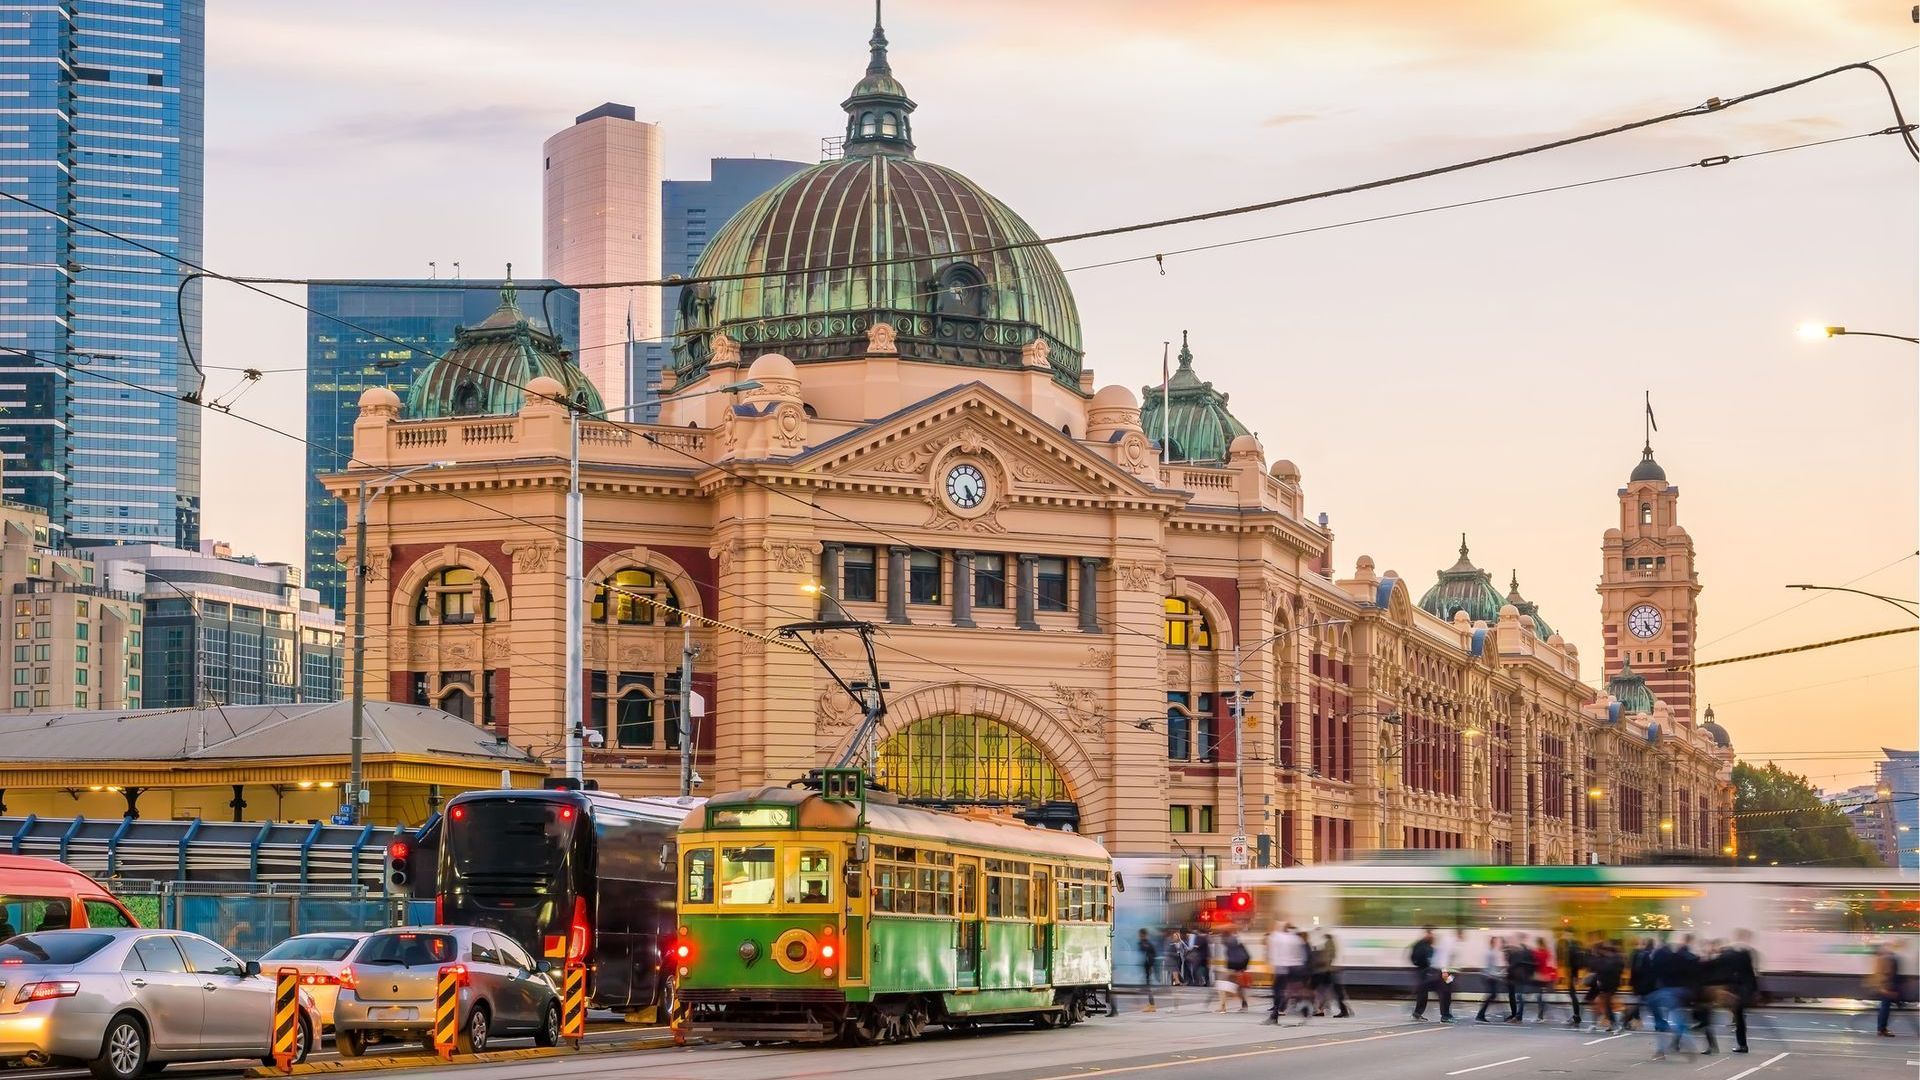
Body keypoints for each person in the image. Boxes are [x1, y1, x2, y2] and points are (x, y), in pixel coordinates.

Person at [1647, 935, 1694, 1060]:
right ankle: (1683, 1037)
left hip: (1665, 990)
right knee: (1676, 1015)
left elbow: (1653, 973)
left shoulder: (1660, 956)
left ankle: (1662, 1049)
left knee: (1659, 1015)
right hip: (1681, 990)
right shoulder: (1683, 956)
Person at [1716, 929, 1758, 1053]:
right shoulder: (1747, 952)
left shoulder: (1730, 952)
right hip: (1744, 988)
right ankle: (1742, 1044)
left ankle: (1742, 1044)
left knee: (1738, 1015)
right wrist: (1754, 990)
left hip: (1735, 988)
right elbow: (1750, 973)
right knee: (1739, 1015)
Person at [1265, 922, 1306, 1024]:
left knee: (1277, 992)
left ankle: (1274, 1016)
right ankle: (1305, 1011)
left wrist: (1272, 965)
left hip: (1282, 968)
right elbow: (1302, 955)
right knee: (1296, 990)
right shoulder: (1296, 939)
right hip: (1296, 968)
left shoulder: (1276, 937)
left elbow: (1272, 953)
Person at [1683, 937, 1718, 1054]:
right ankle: (1712, 1045)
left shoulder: (1702, 961)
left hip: (1702, 993)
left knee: (1702, 1018)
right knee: (1703, 1018)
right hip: (1705, 993)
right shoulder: (1708, 961)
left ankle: (1711, 1045)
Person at [1411, 926, 1453, 1023]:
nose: (1433, 936)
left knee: (1442, 991)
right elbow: (1415, 958)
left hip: (1435, 971)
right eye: (1431, 933)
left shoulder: (1430, 946)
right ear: (1427, 934)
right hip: (1429, 971)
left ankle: (1444, 1015)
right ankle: (1445, 1015)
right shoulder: (1421, 945)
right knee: (1441, 992)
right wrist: (1422, 965)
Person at [1311, 928, 1353, 1017]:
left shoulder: (1329, 943)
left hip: (1330, 971)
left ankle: (1343, 1011)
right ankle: (1323, 1009)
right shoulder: (1331, 943)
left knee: (1331, 991)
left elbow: (1328, 957)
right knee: (1330, 991)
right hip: (1331, 970)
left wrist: (1321, 963)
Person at [1588, 938, 1624, 1034]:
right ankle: (1612, 1024)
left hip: (1608, 984)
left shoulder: (1609, 959)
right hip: (1608, 984)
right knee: (1604, 1004)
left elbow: (1601, 970)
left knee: (1606, 1005)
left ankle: (1616, 1025)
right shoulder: (1612, 958)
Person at [1867, 941, 1903, 1038]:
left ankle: (1882, 1029)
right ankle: (1882, 1029)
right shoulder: (1885, 958)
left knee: (1886, 1007)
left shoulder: (1885, 957)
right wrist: (1885, 989)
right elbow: (1885, 974)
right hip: (1886, 987)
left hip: (1888, 986)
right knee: (1885, 1007)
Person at [1619, 937, 1656, 1029]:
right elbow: (1638, 970)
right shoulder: (1643, 954)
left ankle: (1628, 1019)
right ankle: (1626, 1019)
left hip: (1638, 983)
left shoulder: (1636, 953)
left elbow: (1632, 968)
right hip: (1642, 983)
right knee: (1636, 1004)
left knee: (1636, 1003)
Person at [1476, 935, 1509, 1023]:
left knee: (1494, 995)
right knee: (1492, 995)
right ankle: (1480, 1015)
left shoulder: (1492, 952)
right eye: (1495, 942)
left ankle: (1481, 1015)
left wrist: (1498, 974)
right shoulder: (1489, 953)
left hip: (1490, 976)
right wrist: (1498, 974)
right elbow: (1487, 967)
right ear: (1492, 942)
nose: (1497, 943)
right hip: (1488, 977)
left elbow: (1492, 967)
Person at [1503, 936, 1535, 1023]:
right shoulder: (1513, 951)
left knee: (1519, 996)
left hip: (1518, 978)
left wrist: (1509, 970)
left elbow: (1514, 965)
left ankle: (1518, 1017)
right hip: (1514, 977)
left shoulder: (1521, 952)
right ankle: (1515, 1016)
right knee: (1515, 996)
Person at [1218, 931, 1251, 1012]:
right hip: (1240, 970)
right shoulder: (1238, 943)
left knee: (1221, 985)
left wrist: (1230, 971)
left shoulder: (1230, 946)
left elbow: (1232, 960)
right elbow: (1247, 956)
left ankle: (1222, 1008)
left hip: (1234, 970)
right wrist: (1242, 969)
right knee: (1238, 988)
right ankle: (1244, 1005)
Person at [1558, 928, 1585, 1027]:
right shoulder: (1574, 945)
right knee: (1573, 996)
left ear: (1570, 934)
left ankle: (1576, 1016)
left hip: (1572, 975)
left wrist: (1573, 976)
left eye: (1565, 934)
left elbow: (1574, 963)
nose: (1564, 936)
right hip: (1573, 974)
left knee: (1573, 996)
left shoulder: (1572, 947)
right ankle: (1576, 1016)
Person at [1529, 936, 1556, 1023]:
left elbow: (1535, 963)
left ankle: (1541, 1016)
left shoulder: (1537, 952)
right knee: (1541, 997)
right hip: (1545, 976)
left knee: (1539, 997)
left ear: (1538, 943)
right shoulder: (1547, 952)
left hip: (1539, 976)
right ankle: (1543, 1015)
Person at [1137, 928, 1160, 1012]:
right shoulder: (1147, 944)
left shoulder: (1145, 944)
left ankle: (1152, 1005)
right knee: (1146, 986)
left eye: (1140, 934)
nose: (1139, 936)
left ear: (1143, 935)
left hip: (1147, 967)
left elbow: (1148, 956)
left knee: (1148, 986)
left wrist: (1150, 966)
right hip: (1147, 967)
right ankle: (1151, 1004)